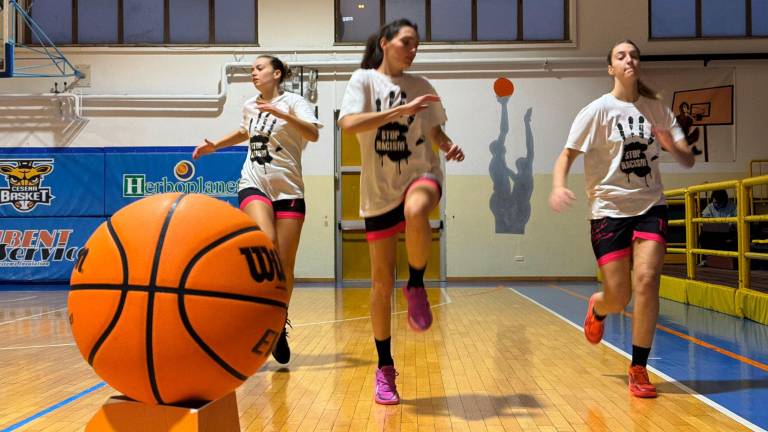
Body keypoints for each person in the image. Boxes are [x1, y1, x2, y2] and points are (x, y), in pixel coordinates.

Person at [549, 40, 695, 398]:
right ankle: (598, 308)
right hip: (608, 210)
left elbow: (688, 159)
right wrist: (557, 185)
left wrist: (671, 142)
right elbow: (565, 156)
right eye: (621, 56)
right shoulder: (596, 111)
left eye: (633, 55)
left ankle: (639, 368)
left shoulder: (657, 109)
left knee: (647, 280)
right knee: (618, 296)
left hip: (650, 206)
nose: (629, 59)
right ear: (611, 68)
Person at [337, 18, 464, 405]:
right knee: (379, 284)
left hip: (421, 174)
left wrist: (447, 145)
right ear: (385, 42)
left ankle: (417, 283)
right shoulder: (363, 82)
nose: (413, 50)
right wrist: (396, 112)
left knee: (417, 210)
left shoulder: (424, 87)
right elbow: (347, 124)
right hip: (378, 192)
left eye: (417, 44)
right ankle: (385, 369)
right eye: (406, 42)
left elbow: (434, 130)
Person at [192, 55, 322, 365]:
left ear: (276, 73)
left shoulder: (295, 102)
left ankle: (278, 323)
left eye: (259, 68)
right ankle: (255, 313)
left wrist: (283, 114)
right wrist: (215, 146)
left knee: (284, 264)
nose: (254, 73)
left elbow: (313, 134)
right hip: (254, 183)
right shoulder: (250, 105)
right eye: (252, 69)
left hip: (289, 190)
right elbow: (244, 132)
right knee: (267, 244)